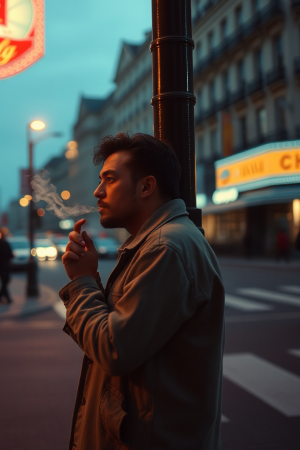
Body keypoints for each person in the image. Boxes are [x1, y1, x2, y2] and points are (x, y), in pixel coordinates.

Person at [59, 133, 225, 450]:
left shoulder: (166, 247)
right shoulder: (157, 242)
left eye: (110, 180)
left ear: (146, 186)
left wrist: (81, 284)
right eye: (100, 180)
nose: (97, 191)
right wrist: (91, 279)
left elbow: (114, 349)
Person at [0, 228, 14, 304]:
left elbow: (10, 253)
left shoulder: (6, 243)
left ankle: (0, 295)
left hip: (6, 265)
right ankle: (7, 298)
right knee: (3, 281)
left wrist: (11, 256)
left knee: (6, 280)